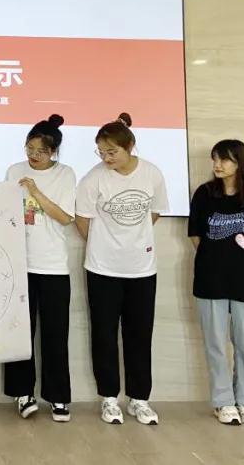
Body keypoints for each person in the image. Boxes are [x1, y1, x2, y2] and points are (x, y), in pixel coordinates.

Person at [75, 113, 167, 426]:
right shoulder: (93, 179)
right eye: (101, 152)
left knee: (139, 334)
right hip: (102, 269)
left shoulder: (152, 174)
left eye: (112, 151)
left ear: (129, 146)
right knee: (103, 334)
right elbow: (83, 220)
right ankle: (109, 398)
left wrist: (132, 240)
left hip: (142, 268)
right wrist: (106, 244)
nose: (106, 158)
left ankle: (139, 399)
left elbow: (154, 213)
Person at [187, 139, 244, 426]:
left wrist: (239, 259)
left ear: (240, 162)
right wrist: (216, 258)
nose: (217, 165)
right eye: (215, 159)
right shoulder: (204, 194)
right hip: (210, 278)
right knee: (215, 344)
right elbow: (195, 236)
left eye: (224, 159)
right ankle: (223, 401)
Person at [2, 115, 76, 423]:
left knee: (55, 334)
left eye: (41, 151)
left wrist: (35, 191)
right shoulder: (13, 171)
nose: (34, 155)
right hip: (19, 264)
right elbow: (3, 210)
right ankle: (23, 393)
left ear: (53, 152)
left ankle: (58, 396)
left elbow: (65, 217)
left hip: (53, 265)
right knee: (21, 334)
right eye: (30, 148)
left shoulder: (65, 174)